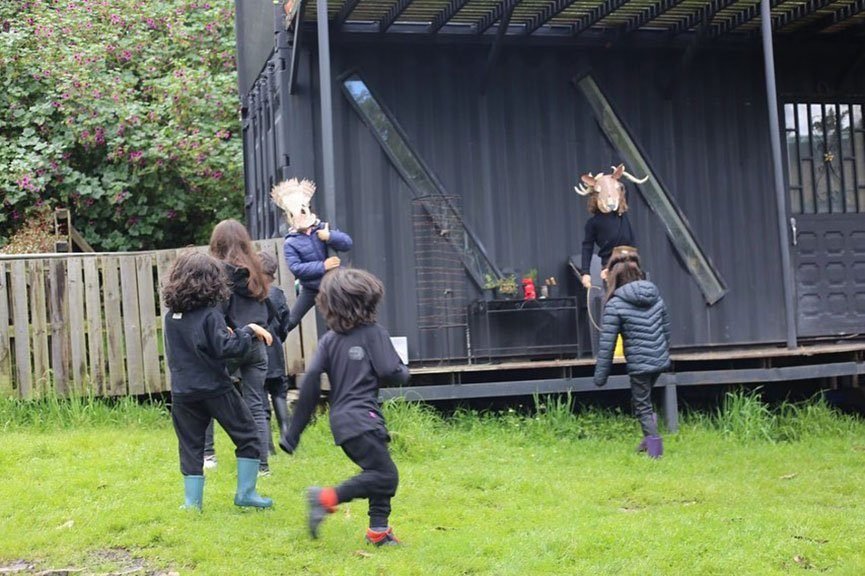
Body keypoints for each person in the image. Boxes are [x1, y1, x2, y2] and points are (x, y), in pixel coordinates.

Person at [279, 267, 410, 546]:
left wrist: (293, 433)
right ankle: (326, 497)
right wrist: (404, 370)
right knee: (386, 476)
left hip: (344, 420)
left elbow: (311, 382)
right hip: (364, 417)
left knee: (377, 470)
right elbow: (392, 372)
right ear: (367, 302)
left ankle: (379, 531)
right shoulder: (374, 333)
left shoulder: (328, 340)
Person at [161, 250, 274, 510]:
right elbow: (227, 348)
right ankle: (246, 494)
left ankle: (192, 503)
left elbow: (196, 345)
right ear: (210, 281)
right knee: (247, 435)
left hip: (183, 393)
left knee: (191, 446)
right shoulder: (210, 315)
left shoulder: (171, 317)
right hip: (214, 389)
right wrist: (249, 331)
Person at [204, 219, 274, 476]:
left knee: (207, 398)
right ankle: (262, 467)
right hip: (258, 344)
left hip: (233, 342)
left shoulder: (218, 271)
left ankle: (208, 455)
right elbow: (267, 304)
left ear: (216, 242)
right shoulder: (256, 269)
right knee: (256, 404)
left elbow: (216, 312)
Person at [592, 248, 670, 458]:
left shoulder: (615, 304)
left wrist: (600, 377)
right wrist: (663, 354)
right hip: (660, 361)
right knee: (644, 399)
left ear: (613, 276)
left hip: (640, 364)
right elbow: (666, 330)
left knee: (641, 405)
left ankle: (656, 453)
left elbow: (606, 344)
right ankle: (647, 442)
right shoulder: (655, 295)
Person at [270, 178, 353, 334]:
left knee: (338, 320)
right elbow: (296, 268)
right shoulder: (291, 242)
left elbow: (347, 243)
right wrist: (323, 266)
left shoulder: (323, 228)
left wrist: (329, 237)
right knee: (291, 320)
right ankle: (271, 339)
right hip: (311, 287)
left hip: (333, 285)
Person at [258, 250, 293, 454]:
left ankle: (268, 447)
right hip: (276, 353)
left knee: (260, 399)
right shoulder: (278, 294)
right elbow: (284, 324)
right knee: (279, 392)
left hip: (256, 355)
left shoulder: (250, 294)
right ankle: (286, 435)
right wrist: (279, 339)